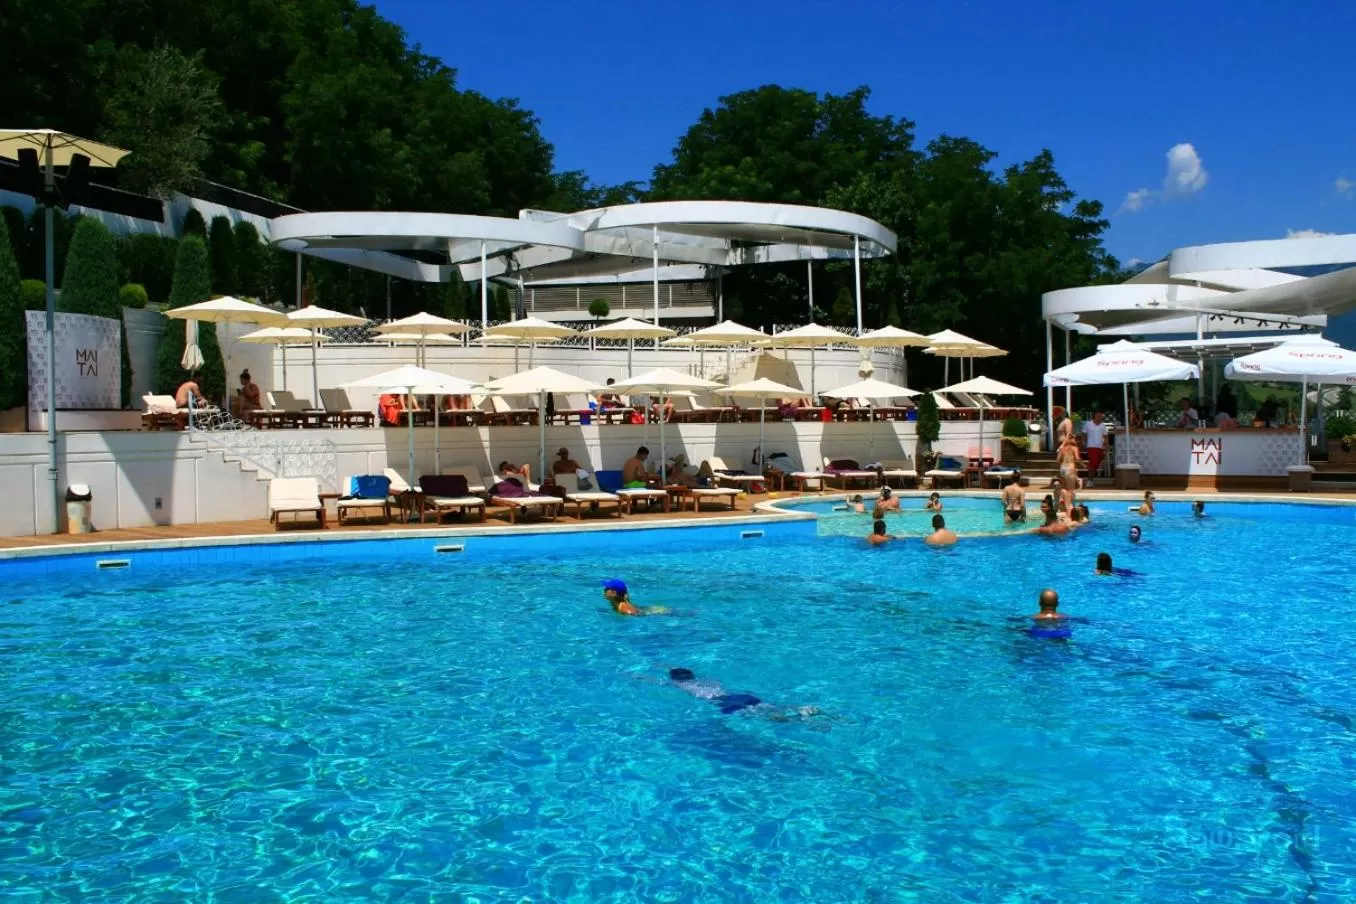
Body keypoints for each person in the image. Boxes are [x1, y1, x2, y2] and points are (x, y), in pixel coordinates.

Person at [667, 668, 819, 719]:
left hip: (724, 702)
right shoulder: (705, 680)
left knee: (760, 715)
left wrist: (642, 676)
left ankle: (794, 718)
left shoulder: (681, 685)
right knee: (766, 706)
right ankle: (798, 709)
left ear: (674, 680)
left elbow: (657, 681)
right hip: (739, 695)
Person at [602, 579, 668, 616]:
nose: (604, 591)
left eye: (606, 589)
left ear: (614, 593)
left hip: (658, 612)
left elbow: (636, 614)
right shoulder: (617, 602)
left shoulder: (623, 609)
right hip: (650, 609)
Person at [1082, 412, 1108, 485]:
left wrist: (1106, 445)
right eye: (1098, 416)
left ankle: (1091, 479)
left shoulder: (1103, 426)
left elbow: (1105, 436)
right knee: (1093, 462)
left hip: (1100, 447)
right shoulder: (1088, 424)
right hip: (1091, 446)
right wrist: (1083, 442)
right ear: (1094, 416)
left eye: (1101, 416)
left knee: (1097, 463)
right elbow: (1084, 433)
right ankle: (1089, 480)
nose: (1100, 417)